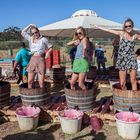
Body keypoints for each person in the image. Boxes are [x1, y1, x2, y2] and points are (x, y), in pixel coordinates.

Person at [94, 18, 140, 90]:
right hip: (122, 60)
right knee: (122, 83)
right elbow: (109, 30)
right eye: (126, 26)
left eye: (129, 26)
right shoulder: (122, 34)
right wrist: (98, 27)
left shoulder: (135, 36)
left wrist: (137, 55)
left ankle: (133, 100)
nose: (128, 27)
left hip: (132, 59)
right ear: (124, 28)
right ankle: (125, 97)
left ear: (132, 26)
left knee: (133, 81)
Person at [21, 24, 53, 88]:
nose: (35, 34)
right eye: (33, 33)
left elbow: (51, 47)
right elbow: (23, 32)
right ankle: (30, 96)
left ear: (38, 31)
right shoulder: (30, 39)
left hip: (40, 60)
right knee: (30, 81)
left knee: (41, 82)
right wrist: (30, 25)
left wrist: (48, 52)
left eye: (36, 32)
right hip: (32, 60)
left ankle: (42, 96)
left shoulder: (44, 39)